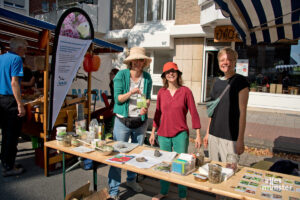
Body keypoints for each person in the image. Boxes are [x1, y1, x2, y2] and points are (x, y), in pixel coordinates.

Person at [149, 62, 202, 200]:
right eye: (168, 72)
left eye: (173, 71)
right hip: (163, 134)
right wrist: (153, 132)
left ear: (178, 74)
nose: (171, 74)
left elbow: (194, 113)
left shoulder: (186, 91)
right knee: (164, 164)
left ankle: (182, 195)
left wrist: (197, 135)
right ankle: (164, 191)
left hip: (180, 134)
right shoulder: (161, 92)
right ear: (164, 76)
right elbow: (157, 113)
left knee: (181, 165)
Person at [108, 47, 152, 199]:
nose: (138, 62)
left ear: (144, 62)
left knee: (135, 154)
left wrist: (146, 106)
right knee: (118, 155)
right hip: (122, 120)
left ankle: (131, 180)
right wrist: (131, 92)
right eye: (135, 60)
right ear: (130, 61)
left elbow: (147, 99)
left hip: (140, 121)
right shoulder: (121, 75)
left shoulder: (147, 77)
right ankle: (113, 190)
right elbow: (118, 99)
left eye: (141, 60)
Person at [203, 47, 249, 163]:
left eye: (229, 59)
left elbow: (243, 112)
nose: (225, 63)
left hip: (230, 136)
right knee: (213, 168)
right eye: (222, 60)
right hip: (213, 134)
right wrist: (207, 133)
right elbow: (212, 112)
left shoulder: (241, 81)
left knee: (229, 171)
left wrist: (240, 139)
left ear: (234, 62)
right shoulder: (217, 82)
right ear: (219, 63)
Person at [0, 37, 27, 177]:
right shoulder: (16, 59)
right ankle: (9, 167)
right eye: (25, 48)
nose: (26, 51)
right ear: (19, 48)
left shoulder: (1, 57)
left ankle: (5, 162)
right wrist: (20, 104)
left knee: (5, 134)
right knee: (12, 135)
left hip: (1, 99)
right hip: (10, 101)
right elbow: (14, 83)